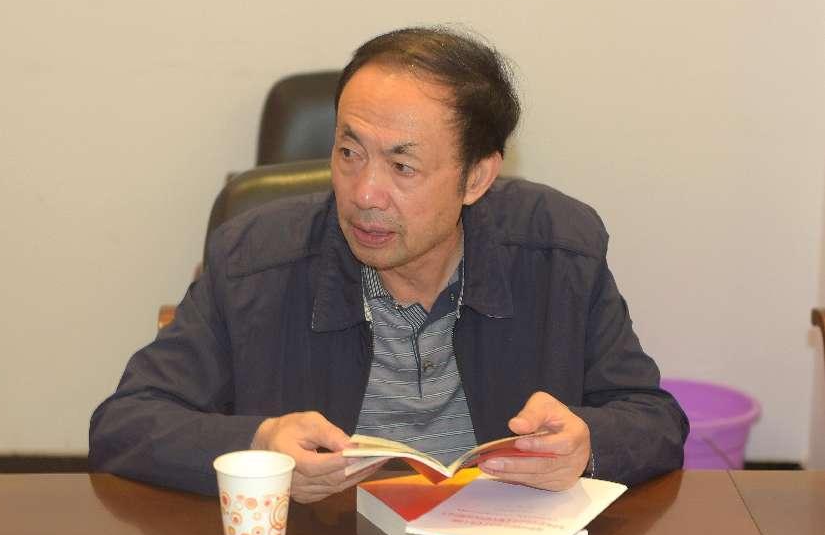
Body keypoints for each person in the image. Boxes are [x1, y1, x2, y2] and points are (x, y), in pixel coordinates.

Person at [89, 27, 687, 502]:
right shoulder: (254, 259)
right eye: (349, 152)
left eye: (402, 167)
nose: (365, 193)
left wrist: (587, 445)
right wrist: (260, 444)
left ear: (476, 177)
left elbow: (654, 418)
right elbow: (125, 423)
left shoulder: (559, 248)